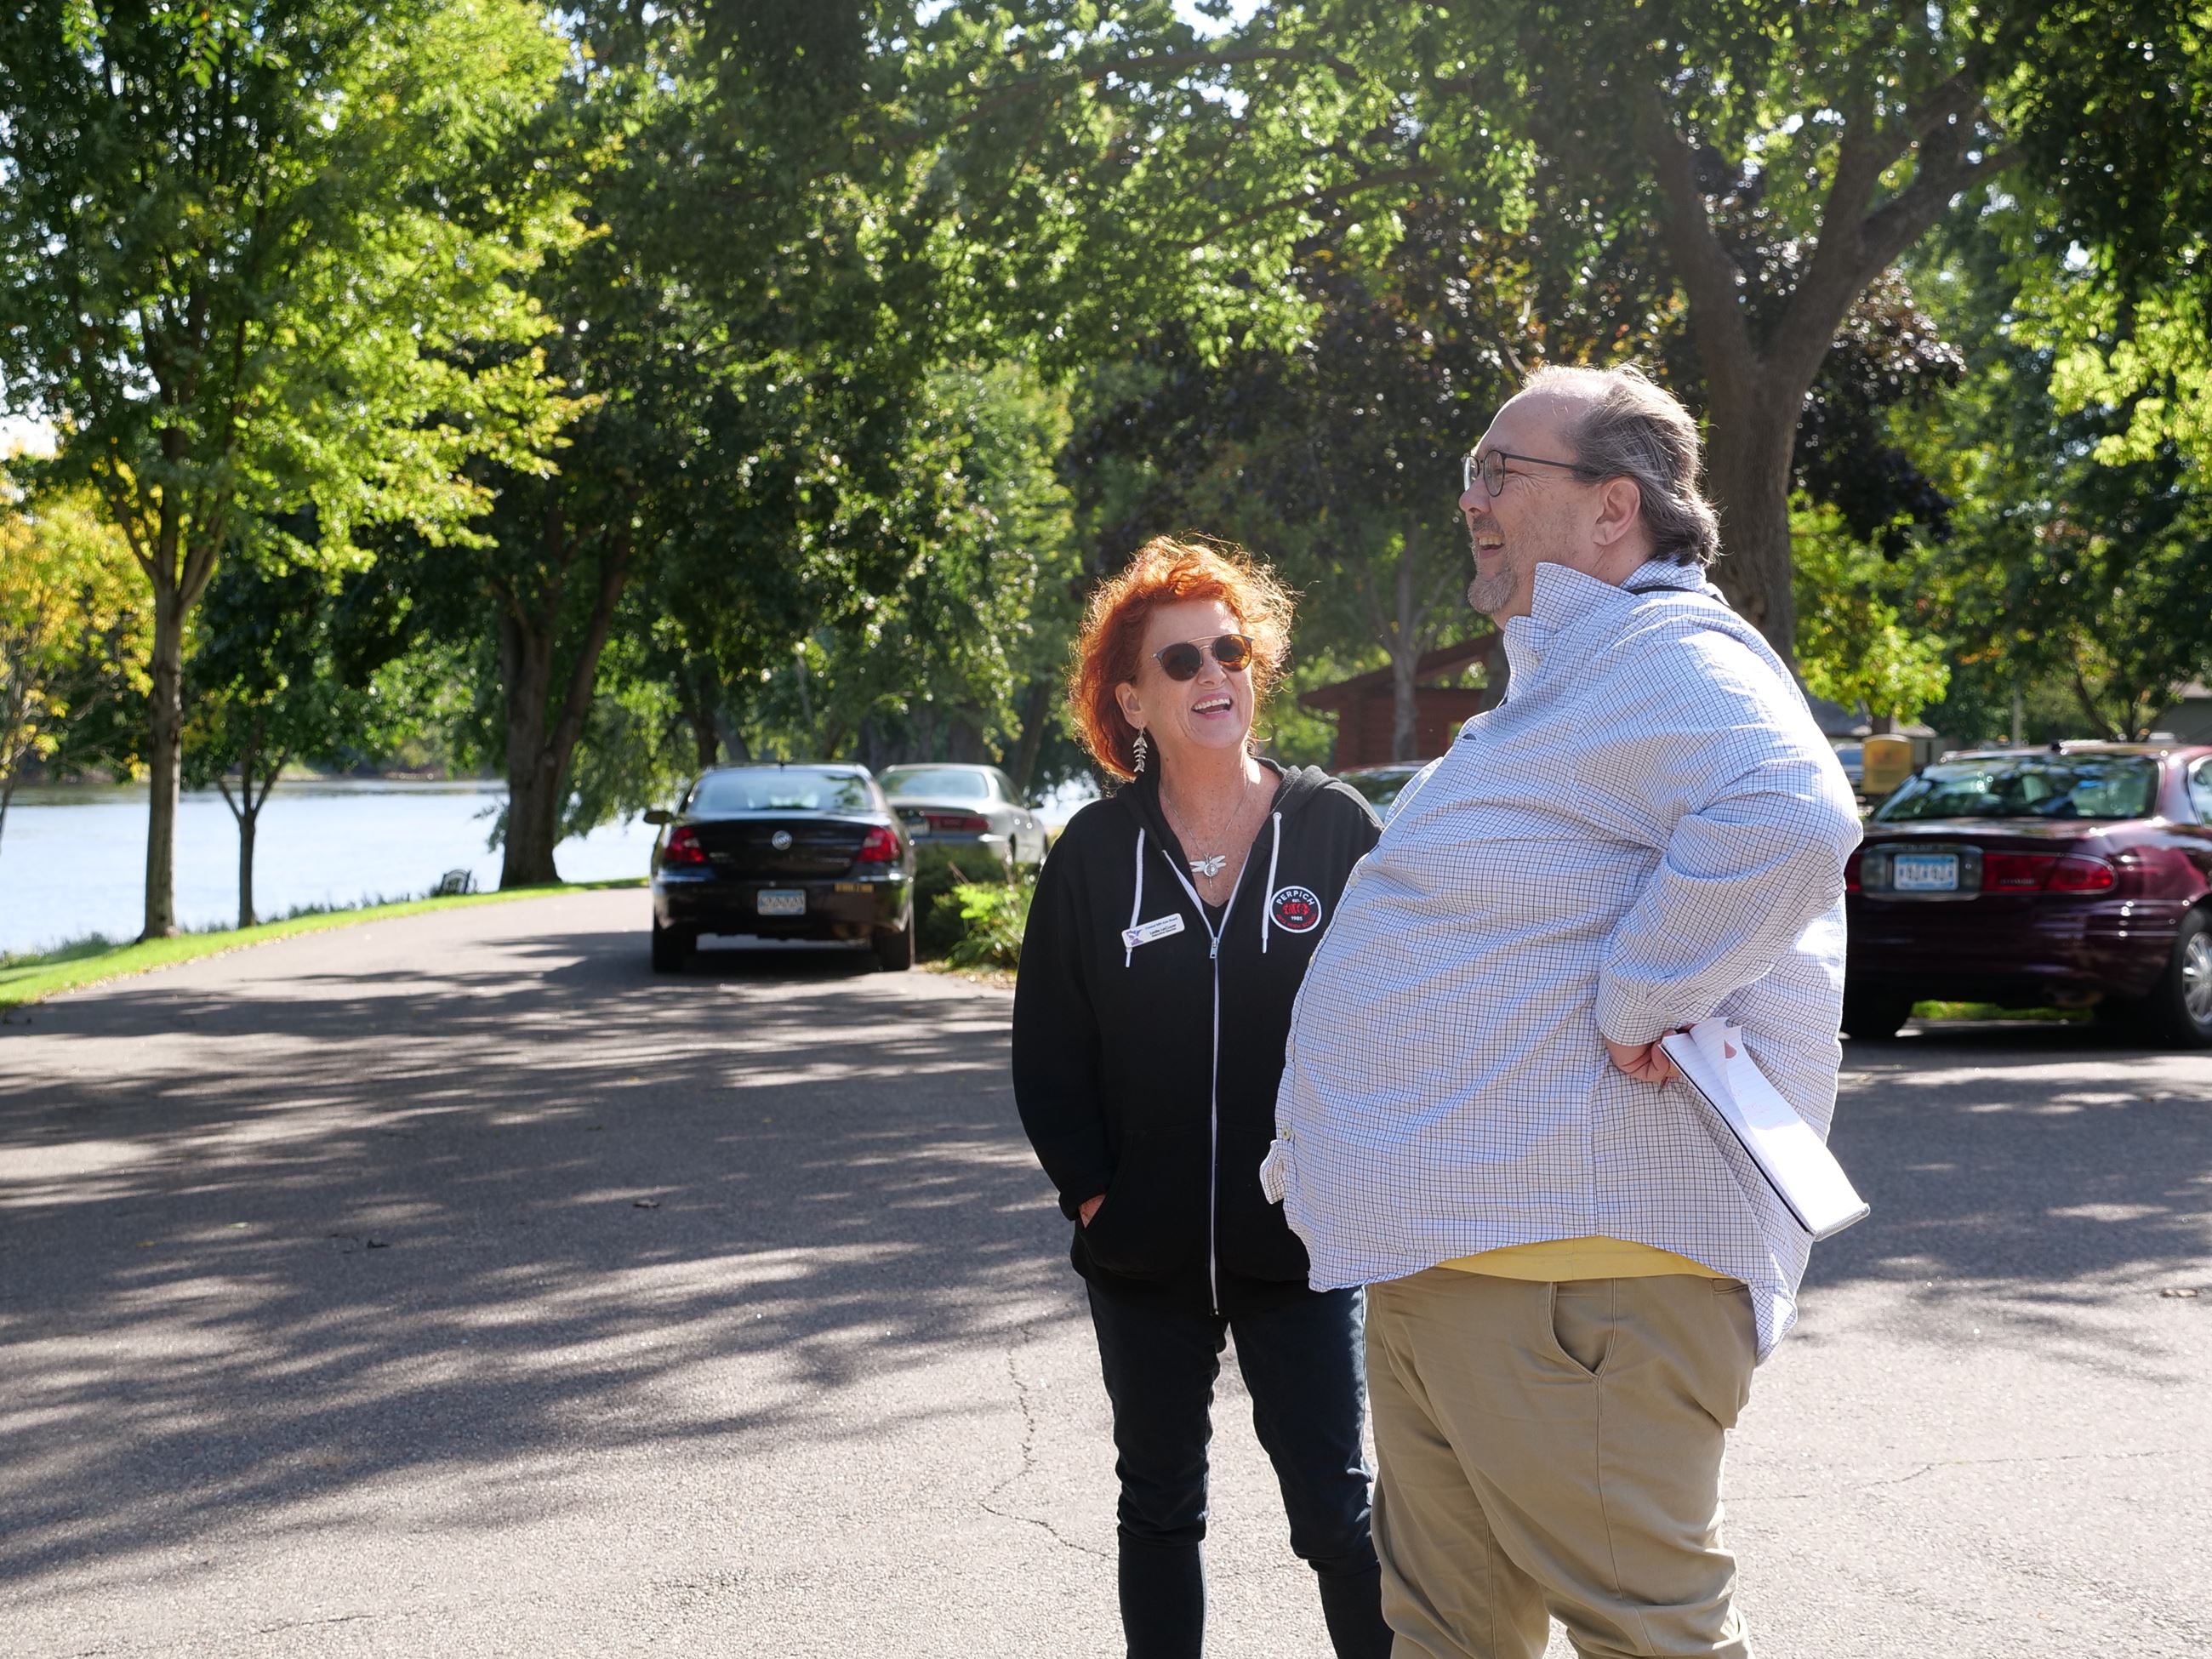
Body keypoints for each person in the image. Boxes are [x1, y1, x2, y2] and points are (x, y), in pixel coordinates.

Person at [1264, 365, 1862, 1658]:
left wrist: (1647, 995)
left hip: (1576, 1283)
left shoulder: (1667, 652)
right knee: (1447, 1637)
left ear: (1613, 508)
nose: (1472, 499)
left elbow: (1793, 811)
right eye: (1472, 472)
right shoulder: (1574, 677)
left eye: (1502, 472)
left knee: (1647, 1639)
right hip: (1464, 1267)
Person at [1012, 536, 1392, 1659]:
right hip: (1145, 1255)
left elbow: (1402, 1013)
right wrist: (1097, 1195)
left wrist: (1357, 1178)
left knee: (1339, 1511)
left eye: (1230, 651)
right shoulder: (1096, 853)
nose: (1212, 675)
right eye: (1180, 661)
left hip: (1302, 1244)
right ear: (1132, 700)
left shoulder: (1335, 830)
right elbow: (1050, 1048)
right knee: (1160, 1505)